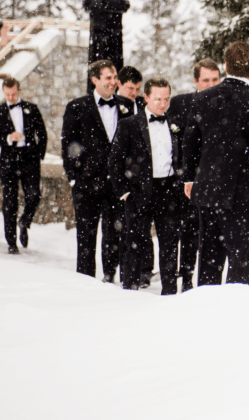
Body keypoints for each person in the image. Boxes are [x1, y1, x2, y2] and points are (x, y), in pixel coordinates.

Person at [182, 41, 249, 286]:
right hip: (243, 195)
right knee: (239, 265)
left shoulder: (202, 99)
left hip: (210, 191)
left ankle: (205, 311)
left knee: (209, 260)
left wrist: (190, 179)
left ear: (225, 66)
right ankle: (234, 316)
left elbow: (190, 143)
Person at [61, 60, 135, 282]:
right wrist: (74, 178)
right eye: (108, 78)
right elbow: (68, 146)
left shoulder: (127, 105)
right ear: (95, 80)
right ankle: (84, 280)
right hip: (86, 183)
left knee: (115, 233)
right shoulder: (77, 107)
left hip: (117, 184)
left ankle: (109, 277)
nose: (113, 82)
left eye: (115, 77)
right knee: (86, 235)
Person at [109, 77, 183, 294]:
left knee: (169, 244)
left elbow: (181, 158)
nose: (163, 104)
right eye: (158, 99)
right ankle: (129, 289)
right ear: (146, 98)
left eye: (167, 99)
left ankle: (169, 292)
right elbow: (115, 161)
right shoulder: (129, 125)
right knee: (134, 242)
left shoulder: (176, 124)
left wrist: (179, 184)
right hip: (138, 192)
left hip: (168, 191)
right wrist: (124, 191)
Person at [167, 58, 221, 292]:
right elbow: (172, 141)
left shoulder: (227, 103)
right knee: (188, 230)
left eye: (215, 80)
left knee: (212, 237)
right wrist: (185, 175)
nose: (211, 84)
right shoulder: (180, 104)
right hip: (186, 179)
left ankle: (209, 284)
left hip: (218, 181)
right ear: (196, 81)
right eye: (206, 80)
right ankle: (186, 277)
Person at [0, 76, 47, 254]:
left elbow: (42, 133)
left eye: (14, 94)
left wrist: (38, 154)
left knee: (34, 195)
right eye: (7, 94)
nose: (11, 97)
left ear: (19, 91)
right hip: (9, 160)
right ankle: (11, 241)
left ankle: (24, 222)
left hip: (29, 159)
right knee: (10, 202)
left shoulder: (32, 108)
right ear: (3, 93)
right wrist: (7, 138)